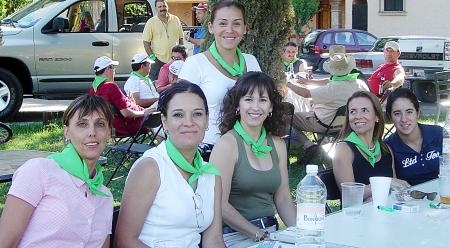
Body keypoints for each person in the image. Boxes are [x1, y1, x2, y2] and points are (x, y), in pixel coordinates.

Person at [115, 81, 226, 248]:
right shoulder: (150, 168)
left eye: (197, 114)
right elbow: (124, 242)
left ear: (207, 120)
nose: (189, 122)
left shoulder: (211, 174)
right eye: (178, 115)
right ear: (164, 121)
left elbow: (214, 240)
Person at [0, 94, 114, 247]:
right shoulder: (39, 172)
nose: (92, 132)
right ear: (67, 132)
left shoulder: (105, 196)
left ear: (109, 132)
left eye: (100, 124)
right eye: (82, 124)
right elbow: (5, 242)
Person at [210, 72, 296, 248]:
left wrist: (304, 234)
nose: (255, 107)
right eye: (248, 99)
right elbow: (219, 204)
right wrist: (258, 234)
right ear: (237, 105)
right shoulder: (227, 145)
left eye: (263, 100)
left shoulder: (278, 144)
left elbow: (283, 198)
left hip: (271, 233)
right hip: (235, 237)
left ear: (271, 107)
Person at [179, 0, 261, 160]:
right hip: (206, 152)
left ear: (245, 28)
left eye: (237, 24)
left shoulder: (251, 61)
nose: (229, 30)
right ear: (211, 27)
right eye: (222, 23)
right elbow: (179, 112)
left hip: (249, 148)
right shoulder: (195, 64)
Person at [287, 45, 369, 155]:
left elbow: (306, 93)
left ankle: (308, 145)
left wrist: (287, 83)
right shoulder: (360, 83)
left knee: (285, 118)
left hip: (324, 123)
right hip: (349, 123)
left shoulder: (333, 88)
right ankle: (322, 142)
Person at [333, 91, 409, 199]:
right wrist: (385, 183)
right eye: (353, 111)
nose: (357, 116)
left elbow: (394, 190)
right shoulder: (344, 149)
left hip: (387, 211)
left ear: (377, 116)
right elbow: (350, 195)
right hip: (358, 214)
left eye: (364, 110)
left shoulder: (385, 149)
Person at [385, 88, 442, 186]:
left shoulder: (438, 134)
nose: (404, 119)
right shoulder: (388, 147)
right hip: (411, 198)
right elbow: (392, 185)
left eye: (409, 112)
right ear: (390, 117)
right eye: (397, 114)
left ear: (418, 112)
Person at [89, 56, 155, 136]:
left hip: (111, 126)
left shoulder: (93, 89)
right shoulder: (111, 87)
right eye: (113, 68)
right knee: (159, 117)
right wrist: (144, 113)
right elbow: (126, 113)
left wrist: (130, 101)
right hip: (128, 126)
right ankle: (162, 146)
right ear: (107, 68)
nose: (114, 71)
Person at [142, 0, 184, 80]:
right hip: (158, 60)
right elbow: (146, 41)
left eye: (164, 6)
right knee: (155, 84)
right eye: (160, 7)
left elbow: (180, 38)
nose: (162, 8)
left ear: (167, 7)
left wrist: (180, 54)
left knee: (174, 84)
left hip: (174, 59)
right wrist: (152, 57)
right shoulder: (151, 22)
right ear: (156, 9)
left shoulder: (175, 19)